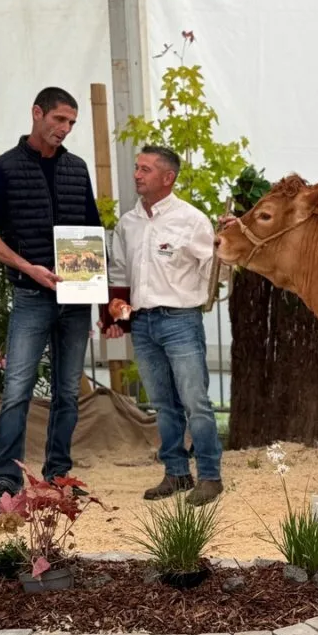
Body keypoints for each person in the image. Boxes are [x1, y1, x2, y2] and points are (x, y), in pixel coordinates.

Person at [0, 87, 101, 519]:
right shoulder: (5, 168)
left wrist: (95, 292)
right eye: (59, 119)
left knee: (67, 393)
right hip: (31, 296)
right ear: (37, 113)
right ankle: (5, 485)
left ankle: (59, 479)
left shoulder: (78, 169)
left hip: (76, 302)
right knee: (17, 393)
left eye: (71, 123)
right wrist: (28, 268)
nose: (64, 129)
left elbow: (92, 234)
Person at [102, 145, 224, 505]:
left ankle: (211, 477)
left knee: (194, 400)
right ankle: (176, 473)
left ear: (168, 178)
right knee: (162, 403)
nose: (137, 174)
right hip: (142, 323)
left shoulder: (193, 220)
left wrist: (227, 246)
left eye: (146, 169)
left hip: (181, 320)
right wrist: (117, 321)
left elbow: (215, 270)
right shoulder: (128, 223)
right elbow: (120, 276)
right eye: (137, 168)